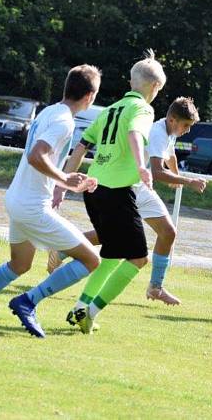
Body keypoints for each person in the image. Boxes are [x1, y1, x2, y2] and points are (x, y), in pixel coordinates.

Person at [0, 65, 103, 338]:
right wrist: (64, 179)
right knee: (91, 260)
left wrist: (64, 182)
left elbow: (39, 158)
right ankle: (28, 301)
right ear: (89, 96)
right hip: (31, 206)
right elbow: (36, 156)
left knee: (19, 264)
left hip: (17, 199)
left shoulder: (49, 112)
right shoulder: (64, 121)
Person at [49, 96, 208, 307]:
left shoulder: (169, 131)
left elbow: (170, 157)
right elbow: (159, 172)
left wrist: (176, 177)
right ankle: (69, 261)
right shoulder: (158, 133)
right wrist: (188, 181)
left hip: (141, 188)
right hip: (130, 187)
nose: (187, 130)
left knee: (166, 233)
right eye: (186, 125)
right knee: (116, 241)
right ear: (172, 119)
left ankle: (155, 287)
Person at [67, 50, 165, 334]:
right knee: (138, 257)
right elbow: (135, 135)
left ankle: (80, 308)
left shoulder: (110, 109)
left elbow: (82, 145)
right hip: (116, 191)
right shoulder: (143, 109)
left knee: (111, 254)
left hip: (93, 190)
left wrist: (64, 182)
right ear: (155, 88)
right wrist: (141, 166)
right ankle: (90, 312)